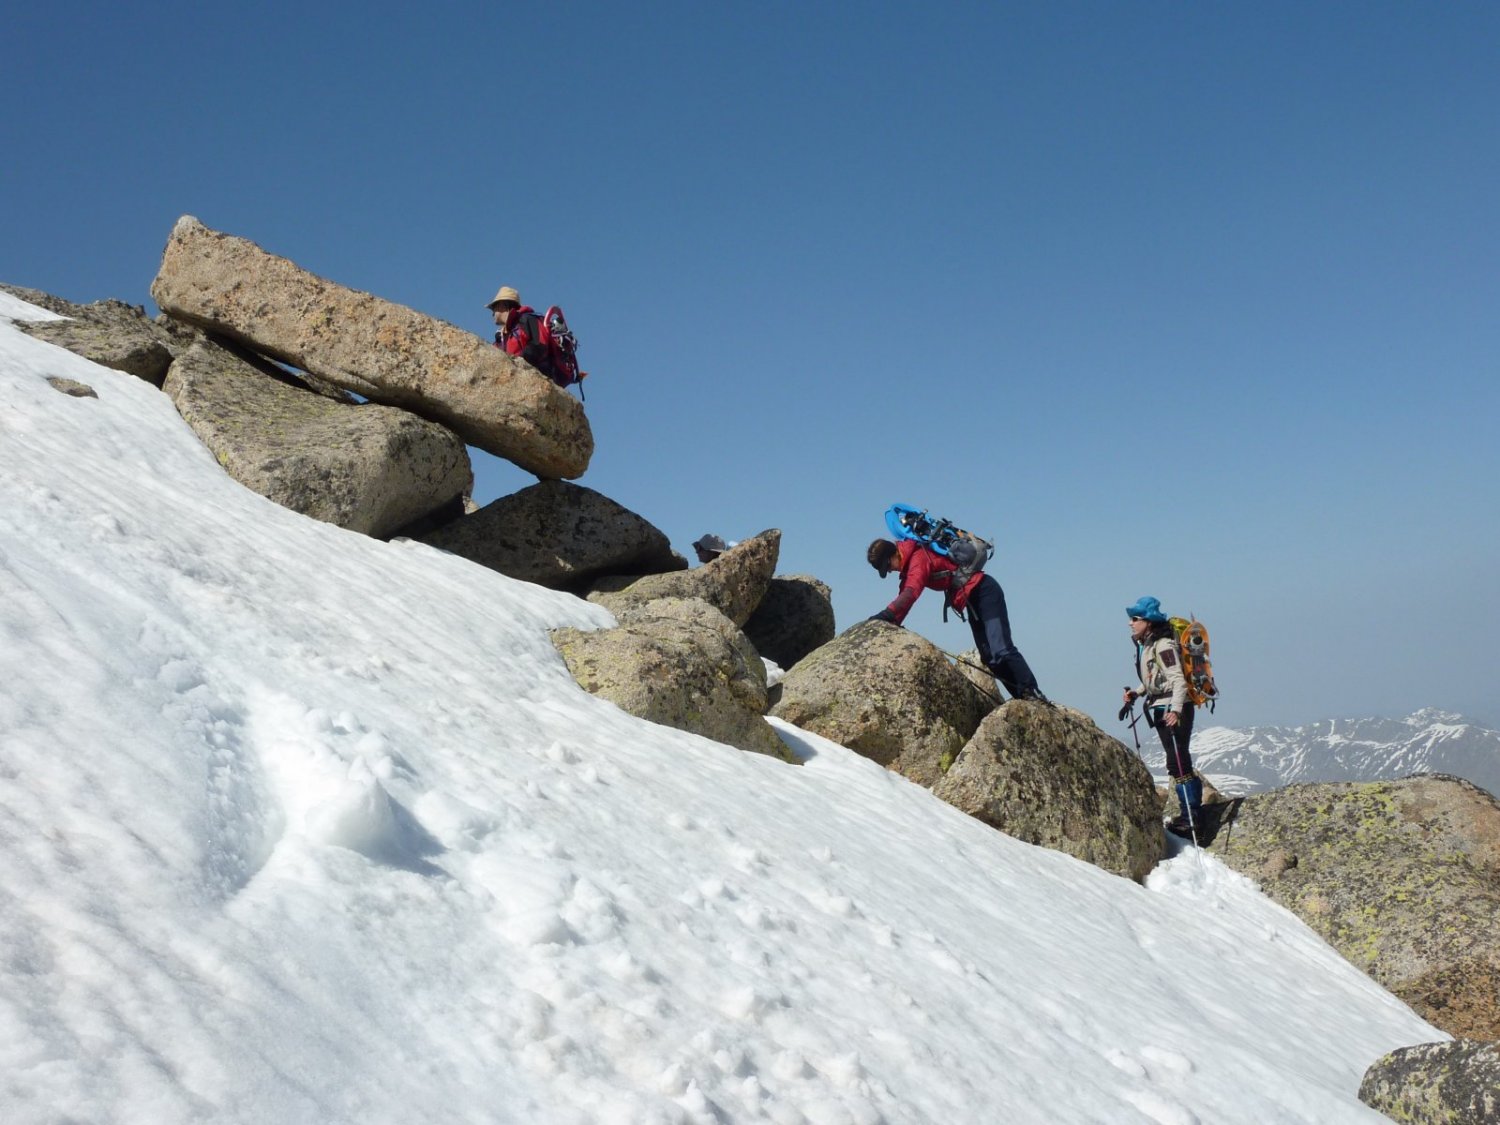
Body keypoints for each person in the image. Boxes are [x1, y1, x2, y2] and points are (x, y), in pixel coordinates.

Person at [865, 537, 1045, 703]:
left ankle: (1032, 691)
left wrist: (886, 615)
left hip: (985, 592)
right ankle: (1023, 698)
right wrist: (891, 620)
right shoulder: (910, 564)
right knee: (990, 658)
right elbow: (905, 594)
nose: (889, 571)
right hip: (972, 599)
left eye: (887, 566)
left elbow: (911, 593)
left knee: (1001, 649)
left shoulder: (918, 559)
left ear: (894, 553)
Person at [1123, 596, 1202, 840]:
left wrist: (1176, 710)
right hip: (1161, 706)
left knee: (1178, 761)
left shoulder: (1164, 645)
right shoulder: (1148, 644)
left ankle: (1191, 818)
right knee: (1176, 760)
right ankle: (1191, 813)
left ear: (1149, 621)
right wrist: (1136, 692)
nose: (1131, 623)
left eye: (1135, 619)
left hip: (1172, 708)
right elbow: (1154, 679)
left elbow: (1177, 680)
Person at [486, 285, 565, 385]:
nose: (492, 313)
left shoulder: (527, 319)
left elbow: (539, 344)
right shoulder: (502, 336)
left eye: (494, 308)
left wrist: (518, 364)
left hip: (537, 380)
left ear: (503, 305)